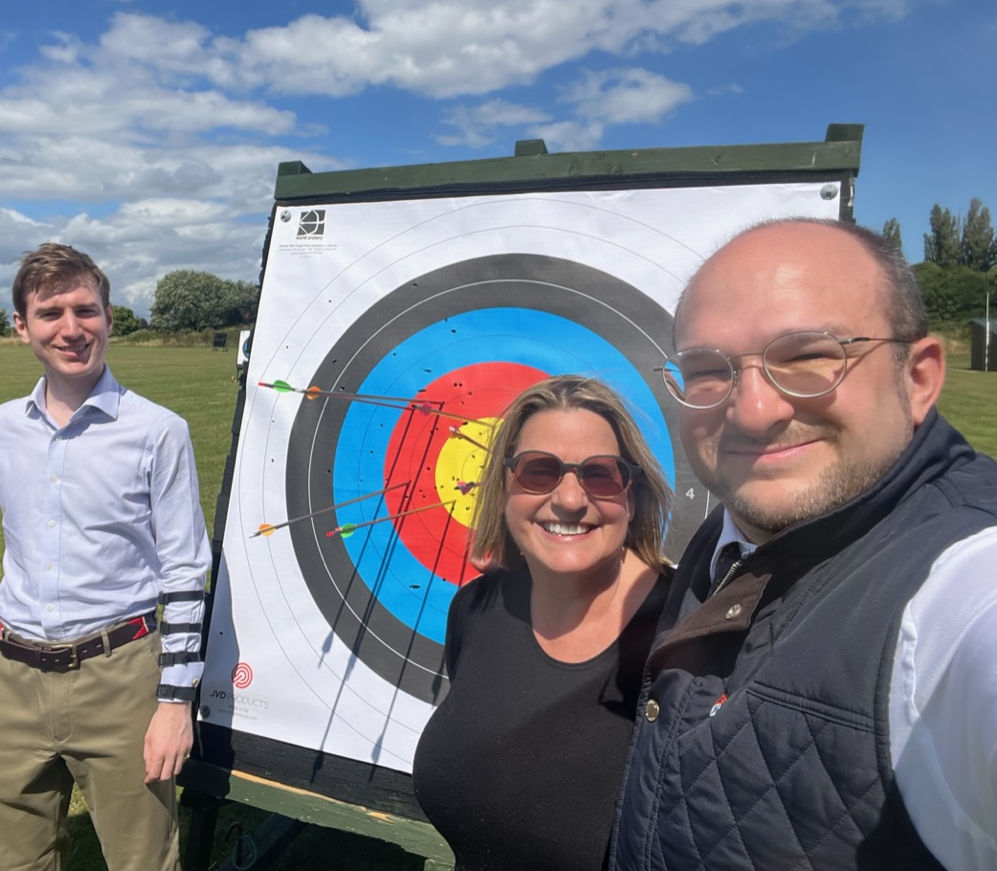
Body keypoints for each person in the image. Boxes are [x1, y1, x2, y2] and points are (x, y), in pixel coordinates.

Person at [611, 219, 997, 870]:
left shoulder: (962, 589)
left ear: (921, 377)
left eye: (810, 356)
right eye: (708, 369)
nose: (753, 410)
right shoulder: (733, 528)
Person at [0, 243, 210, 871]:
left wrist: (175, 704)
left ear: (109, 316)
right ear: (22, 326)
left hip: (119, 674)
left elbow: (185, 572)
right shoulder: (5, 425)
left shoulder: (158, 430)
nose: (71, 329)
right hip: (11, 676)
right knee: (14, 860)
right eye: (50, 313)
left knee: (143, 860)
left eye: (86, 310)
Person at [414, 375, 674, 871]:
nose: (571, 500)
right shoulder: (476, 609)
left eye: (601, 474)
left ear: (633, 496)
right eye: (539, 472)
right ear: (505, 490)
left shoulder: (686, 635)